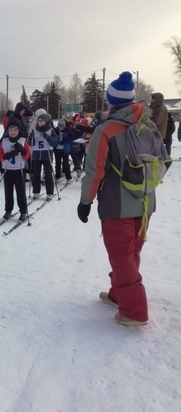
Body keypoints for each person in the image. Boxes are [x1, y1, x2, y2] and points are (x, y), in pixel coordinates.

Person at [78, 71, 169, 327]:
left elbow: (94, 170)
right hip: (145, 203)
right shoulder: (148, 125)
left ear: (111, 101)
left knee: (121, 255)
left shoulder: (106, 130)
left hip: (117, 205)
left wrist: (86, 201)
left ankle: (134, 311)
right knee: (131, 252)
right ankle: (119, 294)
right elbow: (164, 160)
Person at [0, 123, 31, 221]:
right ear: (8, 131)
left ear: (18, 131)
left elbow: (27, 156)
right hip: (8, 170)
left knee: (20, 192)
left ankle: (23, 211)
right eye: (11, 130)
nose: (13, 132)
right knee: (8, 192)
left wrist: (23, 150)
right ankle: (8, 210)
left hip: (19, 169)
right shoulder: (3, 141)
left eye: (15, 130)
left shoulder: (23, 140)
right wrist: (8, 155)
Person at [29, 113, 59, 200]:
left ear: (45, 121)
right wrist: (31, 138)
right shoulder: (35, 129)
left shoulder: (50, 130)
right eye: (38, 120)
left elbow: (54, 143)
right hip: (36, 154)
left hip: (47, 154)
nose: (39, 122)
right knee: (36, 174)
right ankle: (36, 191)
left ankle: (50, 192)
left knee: (48, 174)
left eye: (41, 121)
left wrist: (48, 138)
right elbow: (30, 143)